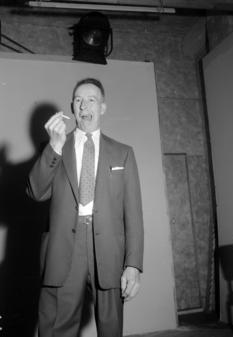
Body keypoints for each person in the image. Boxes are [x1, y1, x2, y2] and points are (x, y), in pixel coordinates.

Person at [26, 78, 144, 337]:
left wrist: (133, 265)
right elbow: (35, 192)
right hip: (64, 247)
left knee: (111, 329)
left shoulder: (123, 153)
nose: (84, 105)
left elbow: (133, 214)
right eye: (78, 100)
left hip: (109, 249)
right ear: (72, 107)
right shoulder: (57, 146)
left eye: (91, 99)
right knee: (56, 327)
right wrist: (54, 146)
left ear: (102, 107)